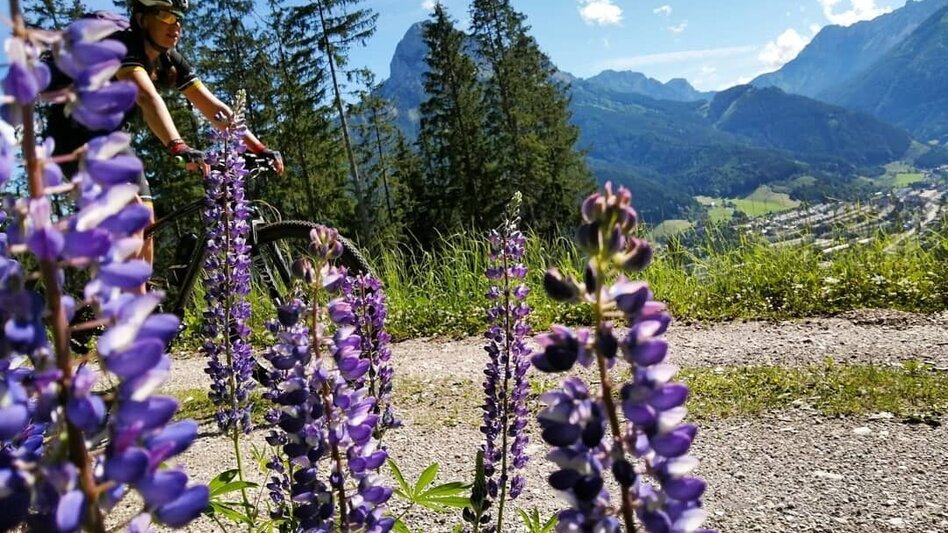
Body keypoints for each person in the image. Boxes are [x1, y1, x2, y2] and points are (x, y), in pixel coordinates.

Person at [45, 0, 284, 293]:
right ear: (143, 19)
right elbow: (147, 98)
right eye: (167, 15)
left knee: (145, 223)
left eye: (180, 17)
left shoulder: (169, 59)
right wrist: (179, 147)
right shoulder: (122, 46)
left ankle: (134, 300)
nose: (177, 24)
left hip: (110, 142)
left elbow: (211, 107)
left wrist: (259, 148)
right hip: (72, 139)